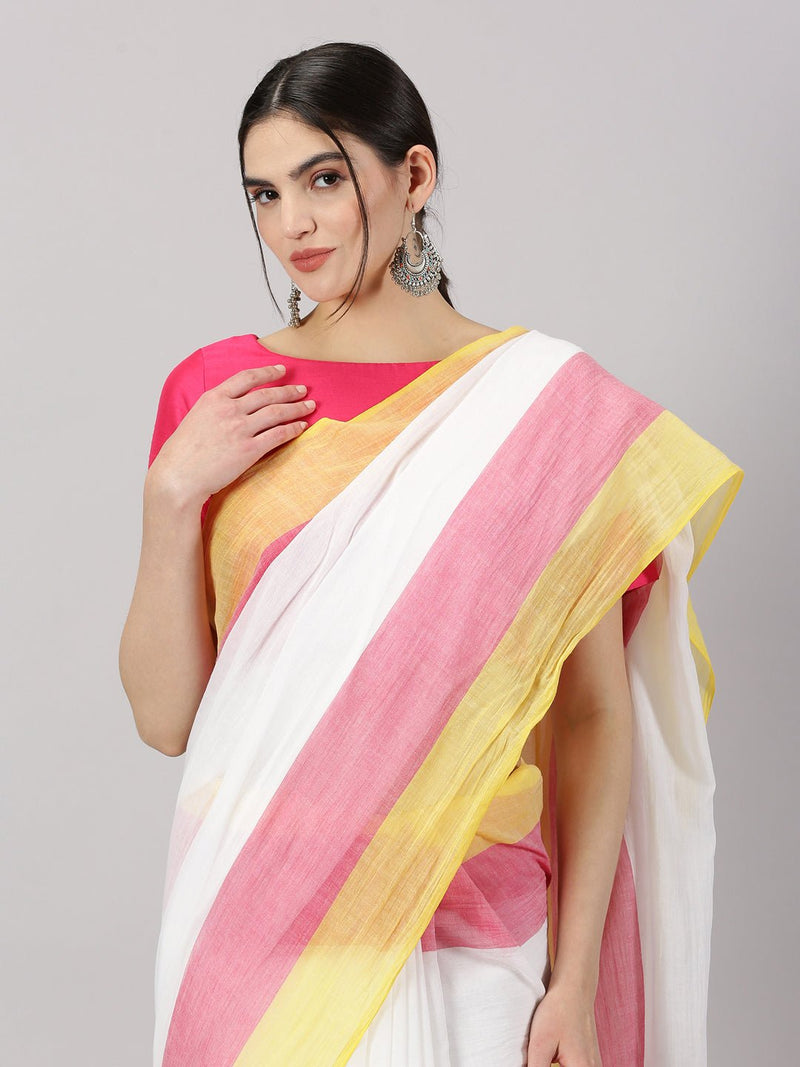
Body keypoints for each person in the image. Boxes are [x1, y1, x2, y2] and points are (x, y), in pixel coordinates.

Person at [119, 42, 744, 1067]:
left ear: (413, 175)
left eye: (324, 180)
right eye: (264, 195)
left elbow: (590, 716)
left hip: (470, 927)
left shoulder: (545, 416)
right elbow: (164, 718)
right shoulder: (219, 396)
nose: (292, 224)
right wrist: (169, 498)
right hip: (248, 915)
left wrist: (574, 982)